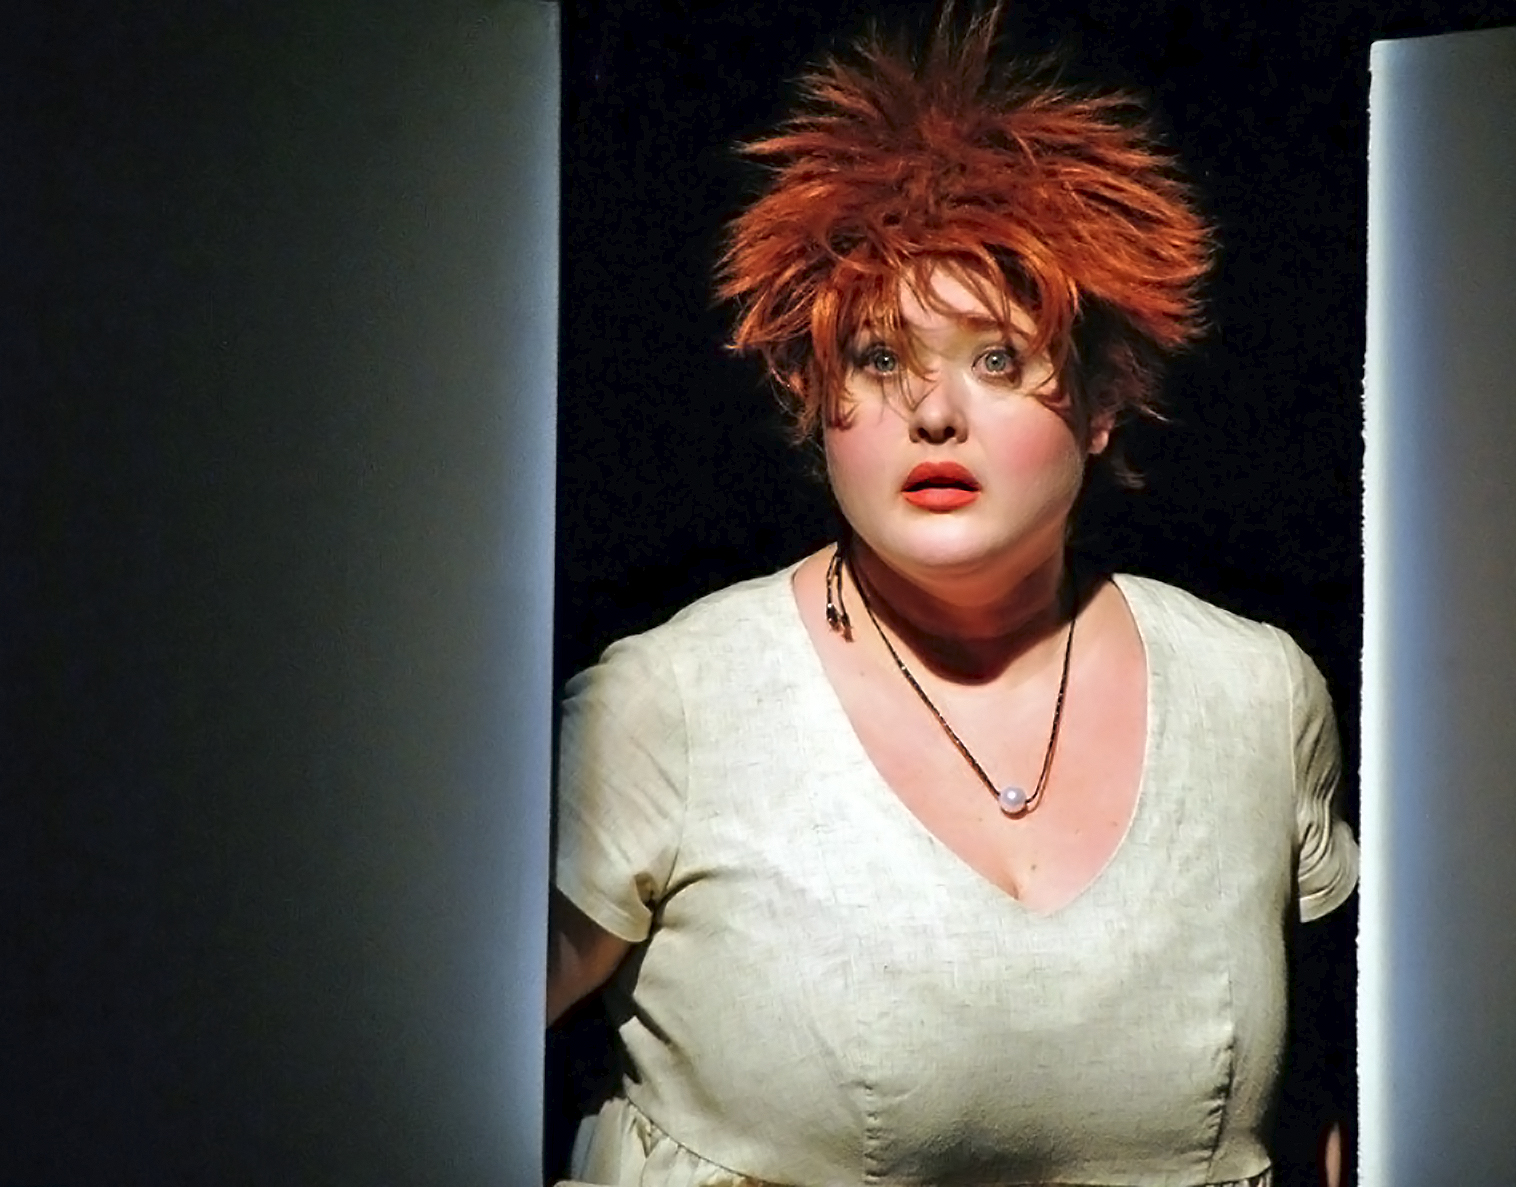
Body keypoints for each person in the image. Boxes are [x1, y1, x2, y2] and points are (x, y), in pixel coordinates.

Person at [546, 6, 1358, 1185]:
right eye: (879, 359)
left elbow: (1340, 1083)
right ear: (812, 401)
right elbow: (407, 1057)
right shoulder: (674, 701)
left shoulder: (1251, 693)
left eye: (995, 359)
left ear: (1099, 403)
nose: (933, 412)